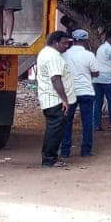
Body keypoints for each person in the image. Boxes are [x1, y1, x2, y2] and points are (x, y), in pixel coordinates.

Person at [36, 30, 77, 168]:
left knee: (53, 130)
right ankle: (49, 159)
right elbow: (55, 78)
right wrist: (64, 99)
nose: (66, 46)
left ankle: (50, 157)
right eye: (64, 43)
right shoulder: (53, 56)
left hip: (50, 99)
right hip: (55, 100)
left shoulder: (47, 53)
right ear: (55, 42)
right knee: (54, 130)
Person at [61, 28, 99, 158]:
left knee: (67, 121)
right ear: (85, 40)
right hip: (86, 91)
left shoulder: (65, 54)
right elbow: (95, 73)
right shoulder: (89, 55)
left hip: (70, 92)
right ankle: (86, 150)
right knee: (87, 122)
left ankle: (65, 151)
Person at [93, 30, 111, 131]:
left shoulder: (101, 48)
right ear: (109, 38)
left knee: (97, 102)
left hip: (97, 78)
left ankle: (96, 125)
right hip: (107, 78)